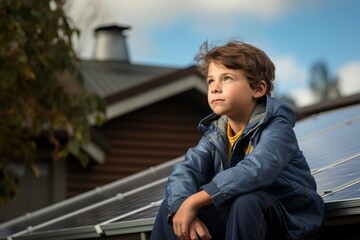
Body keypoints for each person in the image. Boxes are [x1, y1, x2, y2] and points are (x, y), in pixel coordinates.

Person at [150, 41, 325, 240]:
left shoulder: (277, 128)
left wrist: (194, 202)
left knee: (246, 200)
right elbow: (187, 170)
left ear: (258, 89)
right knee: (171, 206)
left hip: (288, 219)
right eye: (210, 81)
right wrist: (182, 206)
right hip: (240, 218)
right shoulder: (215, 134)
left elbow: (255, 170)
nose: (215, 88)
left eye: (227, 78)